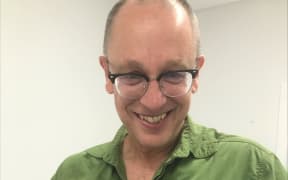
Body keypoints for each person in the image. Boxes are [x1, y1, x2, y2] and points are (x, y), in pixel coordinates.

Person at [52, 0, 287, 179]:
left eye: (174, 74)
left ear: (196, 74)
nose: (153, 101)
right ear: (107, 74)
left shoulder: (254, 168)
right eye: (133, 76)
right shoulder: (73, 173)